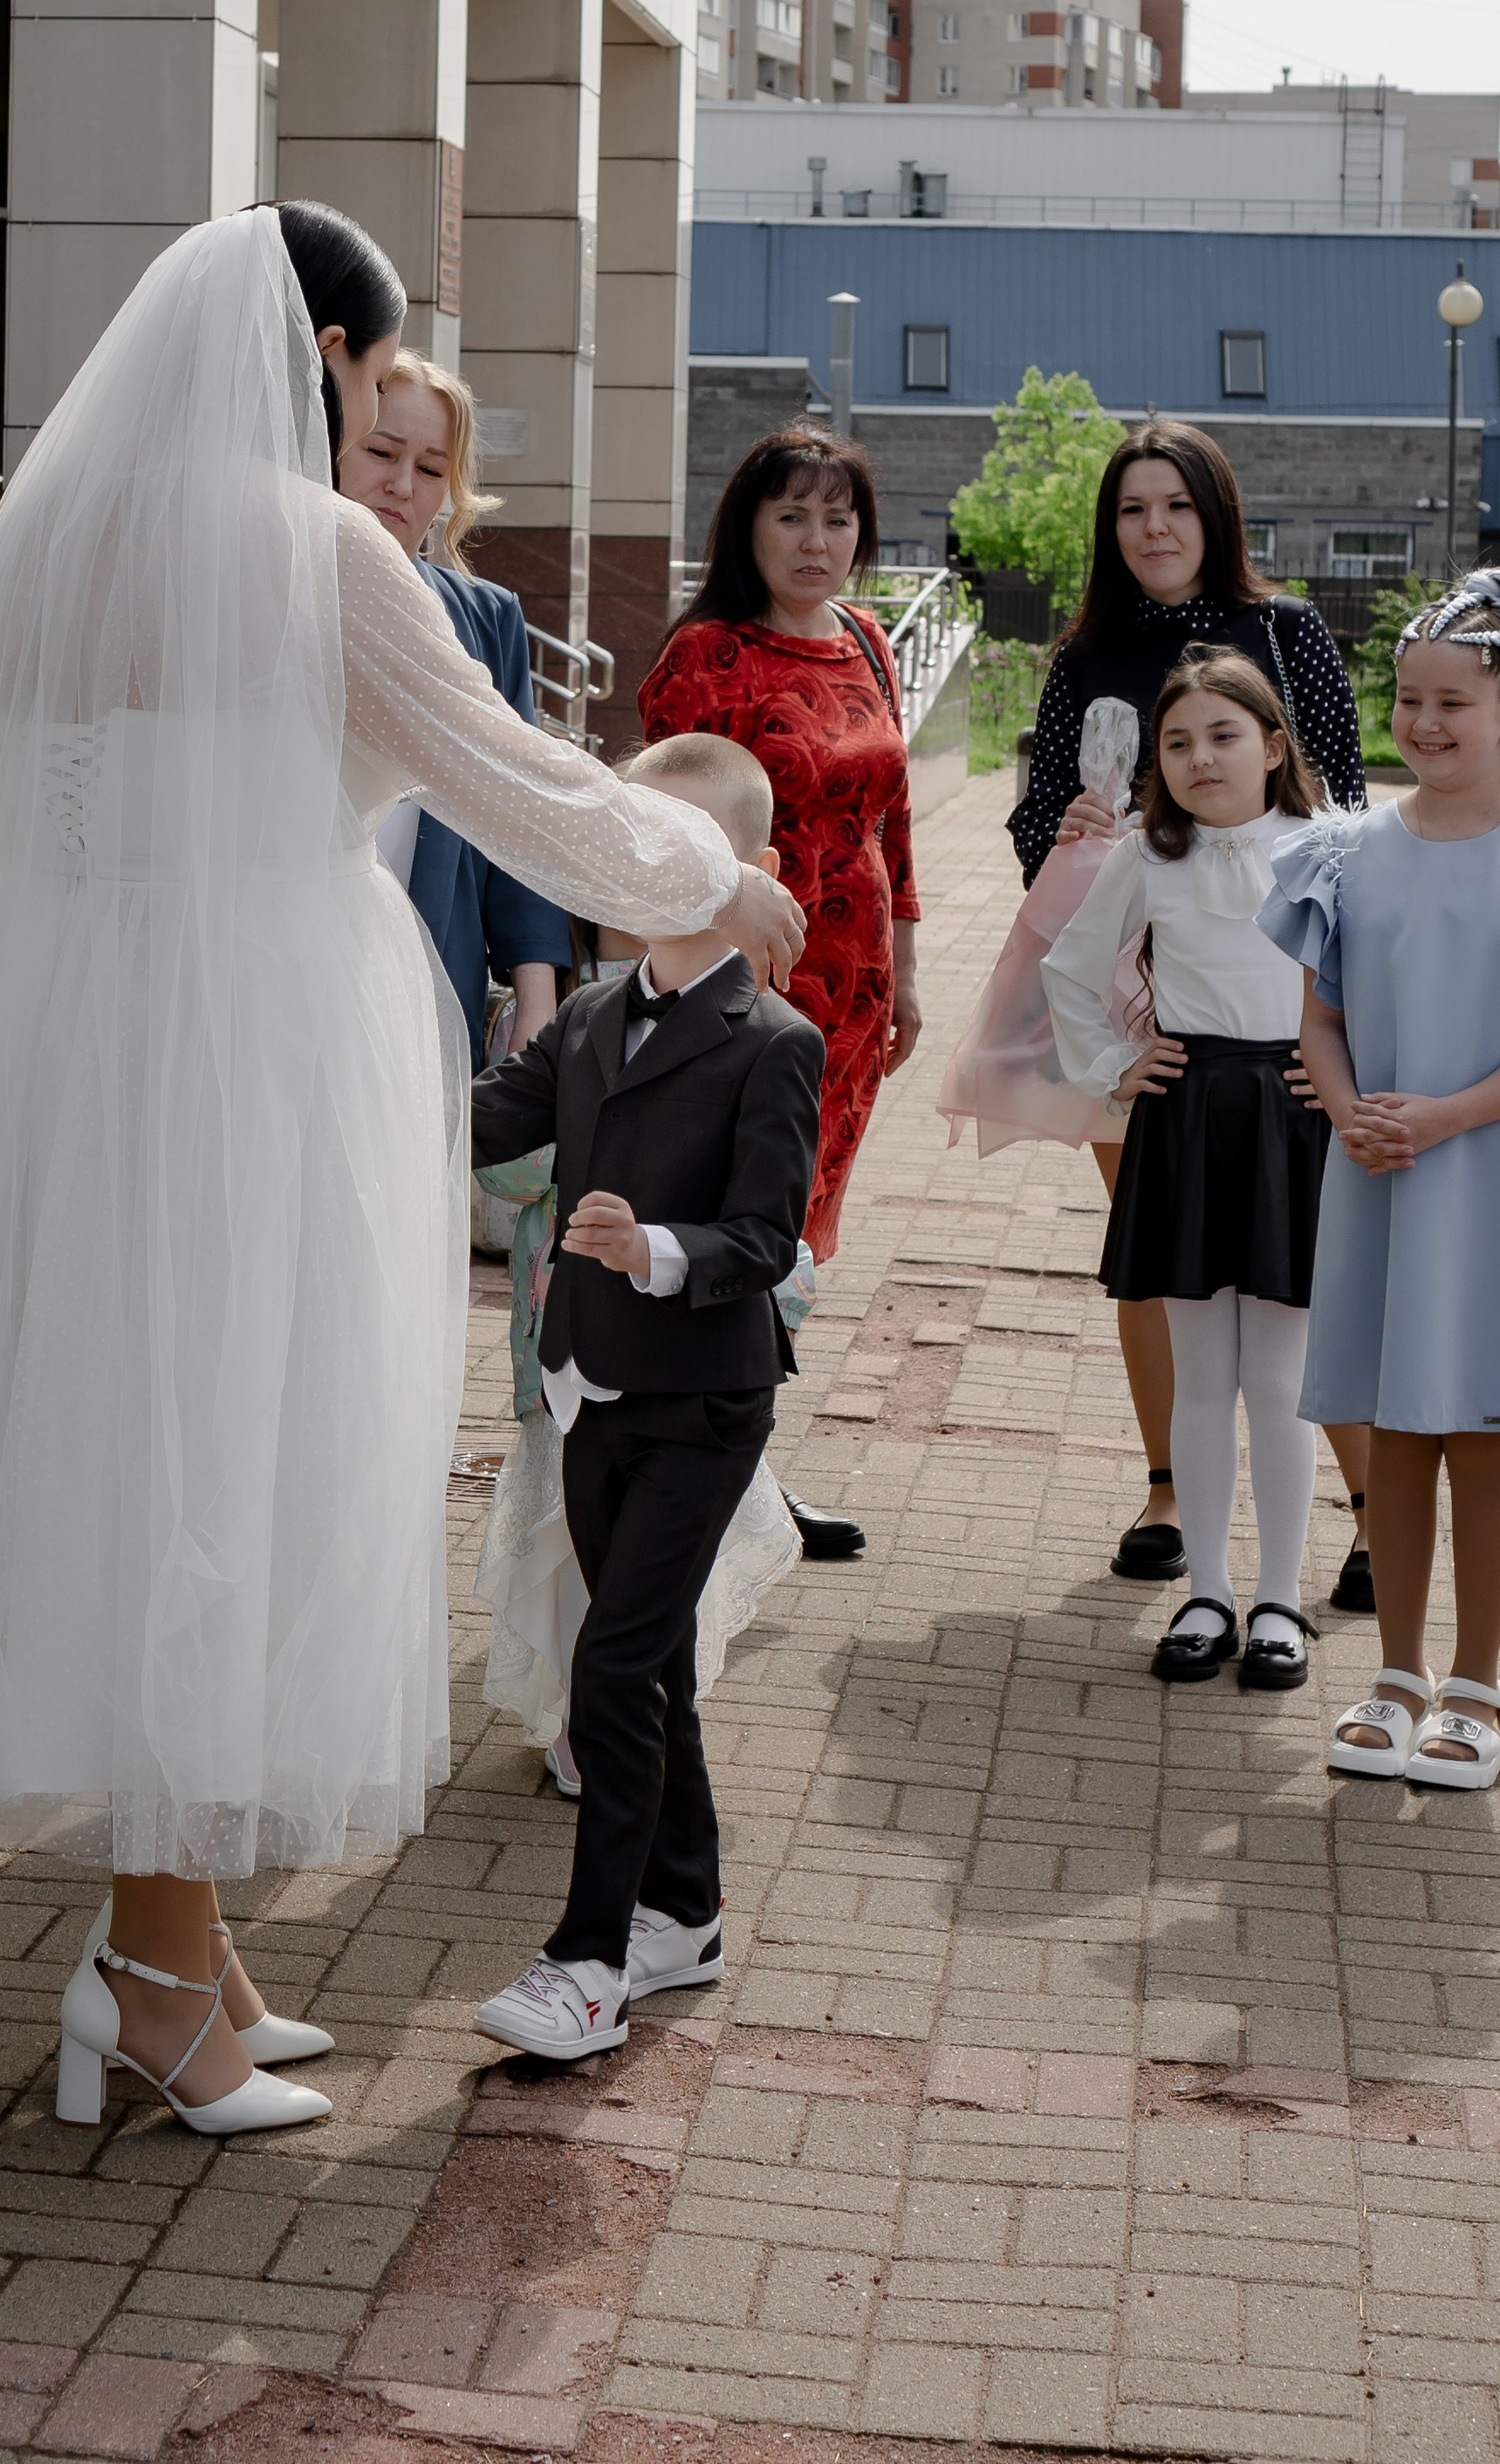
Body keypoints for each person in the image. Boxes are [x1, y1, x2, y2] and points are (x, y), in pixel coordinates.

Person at [0, 204, 805, 2140]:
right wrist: (716, 875)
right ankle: (150, 1979)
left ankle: (180, 1947)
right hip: (254, 1048)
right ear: (327, 360)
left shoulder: (58, 534)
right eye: (372, 372)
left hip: (86, 1047)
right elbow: (511, 779)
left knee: (139, 1454)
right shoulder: (313, 549)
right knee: (229, 1470)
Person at [1257, 569, 1500, 1789]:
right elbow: (1319, 1020)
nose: (1425, 725)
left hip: (1488, 1179)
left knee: (1480, 1427)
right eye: (1409, 701)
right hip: (1377, 1171)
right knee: (1392, 1427)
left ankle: (1476, 1688)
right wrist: (1347, 1109)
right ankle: (1395, 1676)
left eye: (1453, 704)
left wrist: (1441, 1117)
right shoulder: (1348, 853)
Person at [466, 731, 825, 2061]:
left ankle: (590, 1960)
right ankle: (687, 1912)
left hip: (703, 1401)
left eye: (685, 843)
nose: (649, 865)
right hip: (589, 1390)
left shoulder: (773, 1041)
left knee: (611, 1667)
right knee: (650, 1658)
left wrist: (653, 1249)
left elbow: (766, 1240)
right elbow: (486, 1123)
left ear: (753, 870)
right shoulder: (588, 1016)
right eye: (633, 836)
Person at [1009, 420, 1370, 1595]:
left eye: (1176, 504)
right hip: (1149, 998)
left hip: (1280, 1010)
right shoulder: (1086, 653)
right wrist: (1069, 830)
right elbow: (1035, 820)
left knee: (1299, 1267)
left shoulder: (1289, 632)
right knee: (1162, 1250)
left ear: (1216, 514)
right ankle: (1170, 1491)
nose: (1154, 527)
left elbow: (1345, 801)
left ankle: (1366, 1507)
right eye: (1131, 508)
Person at [638, 428, 917, 1566]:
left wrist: (909, 969)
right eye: (792, 516)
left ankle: (741, 1460)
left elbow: (895, 820)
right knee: (737, 1221)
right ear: (746, 526)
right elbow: (660, 836)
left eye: (837, 520)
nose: (816, 541)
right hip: (744, 991)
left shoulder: (866, 640)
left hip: (854, 1000)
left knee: (794, 1235)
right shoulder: (707, 654)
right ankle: (709, 1468)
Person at [1042, 652, 1332, 1689]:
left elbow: (1380, 974)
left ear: (1273, 746)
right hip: (1190, 1114)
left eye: (1223, 735)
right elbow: (1069, 967)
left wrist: (1349, 1076)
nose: (1200, 758)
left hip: (1291, 1120)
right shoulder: (1147, 856)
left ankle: (1278, 1601)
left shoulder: (1330, 849)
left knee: (1282, 1380)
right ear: (1155, 763)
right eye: (1177, 743)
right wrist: (1116, 1066)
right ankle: (1207, 1593)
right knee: (1203, 1377)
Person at [332, 348, 570, 1063]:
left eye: (433, 469)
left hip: (433, 983)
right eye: (381, 452)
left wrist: (535, 996)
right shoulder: (267, 598)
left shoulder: (486, 618)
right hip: (288, 968)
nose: (402, 485)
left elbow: (520, 811)